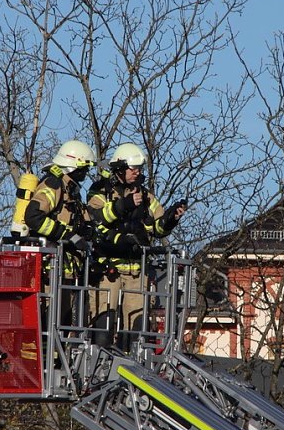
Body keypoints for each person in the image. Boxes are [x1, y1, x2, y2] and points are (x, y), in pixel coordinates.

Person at [86, 142, 186, 349]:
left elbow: (158, 228)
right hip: (107, 270)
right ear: (120, 168)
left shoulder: (145, 195)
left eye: (140, 168)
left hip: (136, 270)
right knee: (103, 323)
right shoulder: (100, 191)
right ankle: (99, 366)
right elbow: (96, 218)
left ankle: (130, 368)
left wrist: (171, 218)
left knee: (136, 326)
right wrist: (125, 205)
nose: (137, 172)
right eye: (133, 168)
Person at [25, 139, 96, 325]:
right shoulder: (53, 184)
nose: (86, 173)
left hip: (65, 269)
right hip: (49, 269)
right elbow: (33, 217)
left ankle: (57, 353)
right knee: (50, 322)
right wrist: (68, 236)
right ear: (74, 166)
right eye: (84, 168)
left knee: (62, 321)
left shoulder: (70, 189)